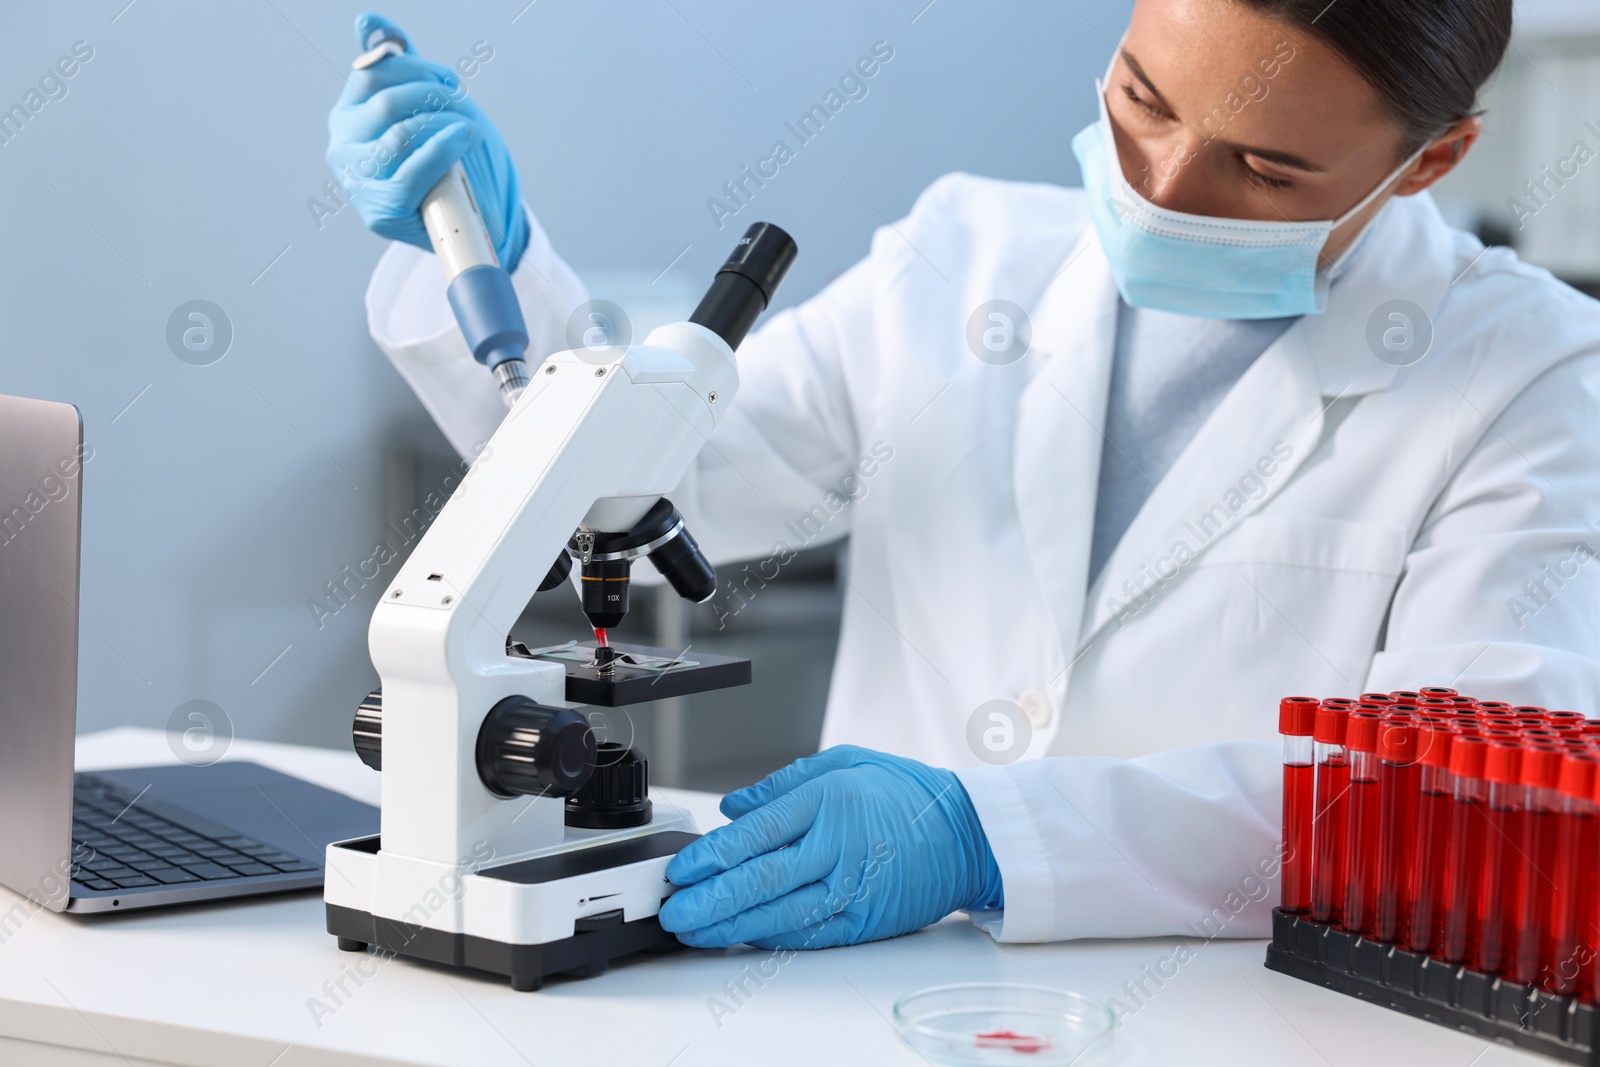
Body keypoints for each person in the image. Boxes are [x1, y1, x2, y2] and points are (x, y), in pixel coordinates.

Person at [329, 0, 1600, 951]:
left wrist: (991, 835)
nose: (1158, 191)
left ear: (1428, 161)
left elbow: (1459, 791)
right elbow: (665, 491)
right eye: (1143, 101)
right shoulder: (961, 255)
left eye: (1262, 170)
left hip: (1238, 1014)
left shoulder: (1527, 373)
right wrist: (495, 260)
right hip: (858, 989)